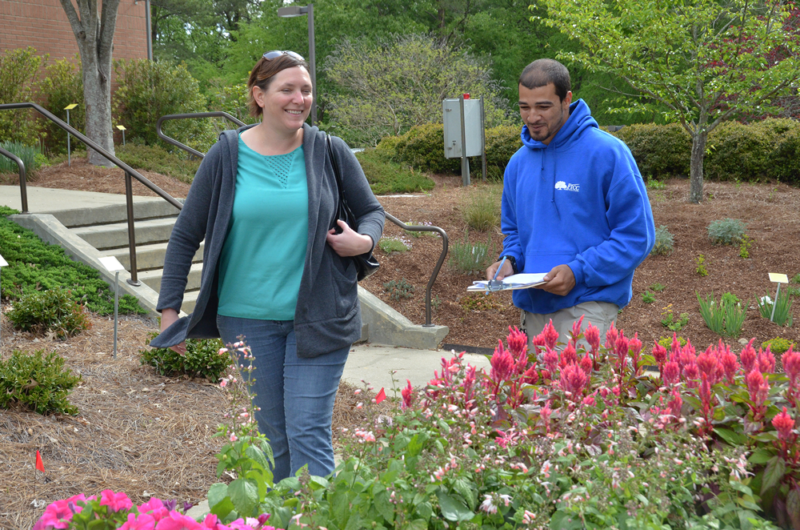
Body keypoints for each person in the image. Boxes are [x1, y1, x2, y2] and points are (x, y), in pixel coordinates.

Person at [149, 50, 385, 481]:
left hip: (321, 316)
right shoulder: (225, 156)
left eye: (306, 90)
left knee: (307, 432)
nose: (300, 99)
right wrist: (169, 309)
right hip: (247, 321)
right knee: (277, 440)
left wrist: (363, 241)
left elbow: (372, 211)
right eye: (287, 89)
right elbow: (186, 235)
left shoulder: (329, 150)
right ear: (259, 95)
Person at [486, 58, 655, 349]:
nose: (532, 117)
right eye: (524, 107)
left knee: (577, 393)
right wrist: (510, 261)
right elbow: (515, 233)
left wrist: (579, 271)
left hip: (588, 305)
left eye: (543, 106)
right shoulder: (517, 164)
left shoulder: (607, 153)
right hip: (533, 308)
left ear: (567, 99)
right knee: (534, 395)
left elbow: (636, 236)